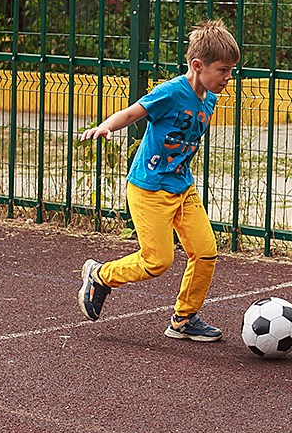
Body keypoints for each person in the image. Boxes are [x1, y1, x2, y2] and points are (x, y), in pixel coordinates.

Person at [77, 20, 239, 340]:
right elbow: (133, 113)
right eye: (223, 70)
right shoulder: (171, 92)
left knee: (205, 252)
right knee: (157, 261)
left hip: (182, 187)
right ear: (198, 65)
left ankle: (183, 319)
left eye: (231, 70)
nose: (228, 77)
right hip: (149, 189)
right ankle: (101, 275)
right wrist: (106, 126)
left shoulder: (210, 98)